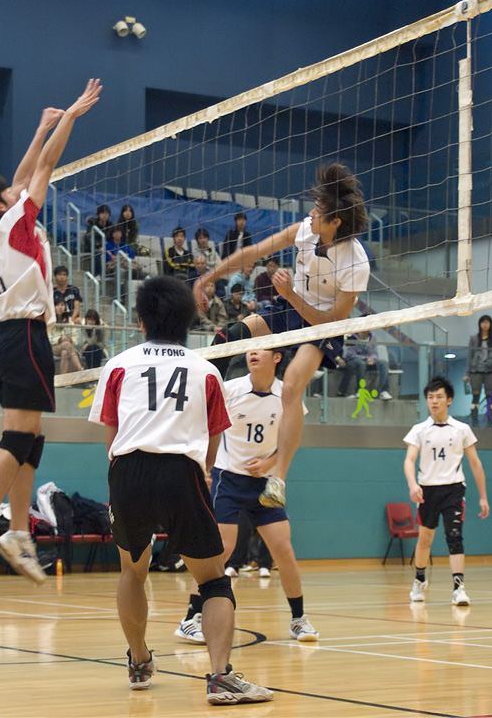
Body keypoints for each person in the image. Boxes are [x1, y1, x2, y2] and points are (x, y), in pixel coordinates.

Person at [87, 276, 273, 703]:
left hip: (128, 470)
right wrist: (200, 475)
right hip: (181, 472)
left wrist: (123, 475)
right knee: (213, 580)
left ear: (140, 321)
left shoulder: (118, 365)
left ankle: (138, 661)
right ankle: (220, 678)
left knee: (132, 571)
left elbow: (111, 434)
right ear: (188, 321)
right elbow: (213, 438)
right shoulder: (206, 370)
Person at [0, 79, 102, 584]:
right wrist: (69, 118)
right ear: (2, 205)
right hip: (25, 336)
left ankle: (18, 531)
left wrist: (38, 130)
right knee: (18, 436)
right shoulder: (15, 220)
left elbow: (21, 176)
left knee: (32, 438)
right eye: (8, 194)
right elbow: (43, 169)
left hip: (8, 339)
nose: (17, 189)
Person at [194, 163, 369, 508]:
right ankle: (201, 425)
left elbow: (331, 321)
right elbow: (253, 252)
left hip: (322, 325)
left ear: (335, 222)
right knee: (229, 337)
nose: (310, 215)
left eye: (317, 211)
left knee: (290, 387)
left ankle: (278, 478)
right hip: (290, 306)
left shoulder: (355, 263)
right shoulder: (305, 231)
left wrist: (289, 294)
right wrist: (206, 278)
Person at [174, 348, 319, 647]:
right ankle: (191, 618)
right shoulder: (230, 390)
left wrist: (270, 463)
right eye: (251, 349)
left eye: (261, 349)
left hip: (265, 483)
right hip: (228, 479)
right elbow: (204, 428)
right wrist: (204, 467)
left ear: (277, 357)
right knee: (221, 548)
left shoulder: (288, 395)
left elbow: (291, 438)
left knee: (283, 550)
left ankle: (298, 619)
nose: (253, 353)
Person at [403, 376, 489, 606]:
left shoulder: (462, 429)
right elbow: (409, 460)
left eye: (439, 397)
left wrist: (483, 497)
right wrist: (413, 484)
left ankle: (459, 588)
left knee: (454, 537)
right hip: (427, 491)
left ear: (449, 400)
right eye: (430, 397)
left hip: (453, 489)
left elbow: (475, 464)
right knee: (425, 539)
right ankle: (419, 580)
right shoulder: (419, 430)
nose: (434, 401)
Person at [464, 315, 492, 426]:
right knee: (475, 396)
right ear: (479, 324)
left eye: (487, 322)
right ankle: (475, 423)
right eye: (483, 322)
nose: (485, 325)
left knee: (490, 397)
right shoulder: (473, 339)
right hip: (476, 371)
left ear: (490, 324)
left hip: (490, 371)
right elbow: (469, 356)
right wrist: (467, 373)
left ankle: (489, 423)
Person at [336, 329, 392, 400]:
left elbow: (374, 353)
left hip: (368, 361)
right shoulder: (352, 338)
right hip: (355, 361)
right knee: (361, 363)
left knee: (383, 363)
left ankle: (384, 391)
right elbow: (350, 354)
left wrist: (372, 358)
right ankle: (360, 390)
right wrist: (365, 358)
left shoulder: (373, 337)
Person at [50, 301, 84, 374]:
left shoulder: (69, 321)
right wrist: (59, 339)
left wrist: (71, 339)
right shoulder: (50, 320)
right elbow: (48, 338)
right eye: (57, 305)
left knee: (64, 352)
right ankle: (81, 369)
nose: (60, 307)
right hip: (53, 347)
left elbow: (75, 337)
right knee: (66, 344)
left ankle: (63, 378)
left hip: (68, 347)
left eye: (62, 305)